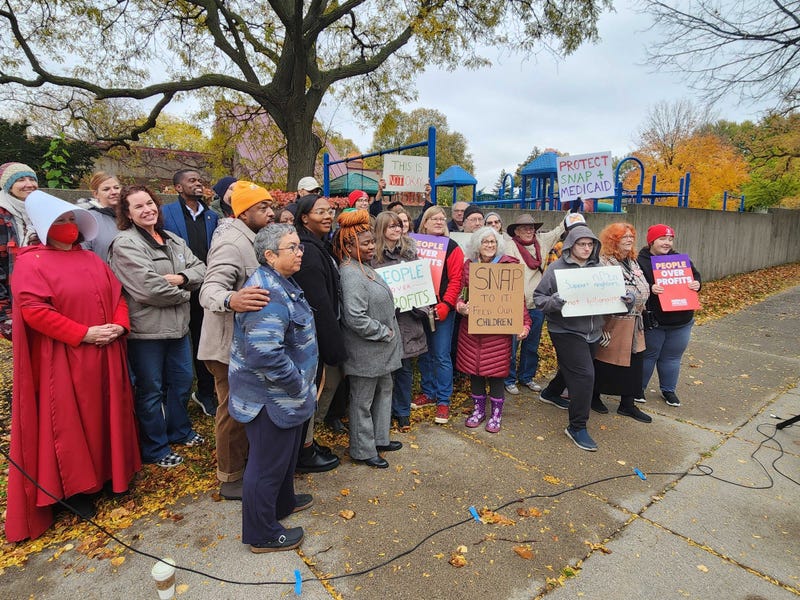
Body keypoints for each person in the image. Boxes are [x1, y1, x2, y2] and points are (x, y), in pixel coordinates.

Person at [6, 191, 140, 542]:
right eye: (61, 222)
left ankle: (111, 474)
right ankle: (76, 490)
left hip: (106, 352)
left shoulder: (91, 259)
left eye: (71, 220)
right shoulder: (31, 263)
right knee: (68, 422)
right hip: (66, 358)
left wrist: (119, 325)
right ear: (45, 227)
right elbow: (34, 311)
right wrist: (82, 334)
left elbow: (117, 296)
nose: (68, 227)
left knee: (107, 414)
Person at [228, 223, 316, 553]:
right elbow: (264, 353)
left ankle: (282, 503)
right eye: (292, 247)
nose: (300, 252)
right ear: (269, 255)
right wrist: (297, 385)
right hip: (270, 398)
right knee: (265, 466)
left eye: (299, 246)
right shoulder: (266, 293)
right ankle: (262, 533)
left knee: (283, 458)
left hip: (286, 397)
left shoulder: (282, 281)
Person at [108, 185, 207, 468]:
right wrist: (187, 293)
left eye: (150, 203)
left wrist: (181, 278)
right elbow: (148, 288)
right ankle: (155, 447)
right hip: (146, 332)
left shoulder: (172, 239)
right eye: (138, 206)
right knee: (150, 391)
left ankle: (179, 431)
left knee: (181, 383)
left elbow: (201, 268)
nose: (147, 209)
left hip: (178, 329)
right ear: (127, 213)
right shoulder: (125, 244)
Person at [198, 181, 273, 500]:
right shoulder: (231, 242)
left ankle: (250, 467)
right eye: (262, 208)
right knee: (233, 412)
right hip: (227, 347)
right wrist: (232, 299)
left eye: (271, 206)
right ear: (242, 212)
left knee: (251, 409)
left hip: (250, 346)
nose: (271, 213)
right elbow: (209, 290)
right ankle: (230, 478)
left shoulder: (255, 238)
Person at [333, 210, 403, 468]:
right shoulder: (350, 274)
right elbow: (355, 318)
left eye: (373, 241)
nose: (372, 246)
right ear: (348, 246)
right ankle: (362, 450)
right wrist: (384, 332)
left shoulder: (363, 266)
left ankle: (380, 439)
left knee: (384, 391)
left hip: (381, 350)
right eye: (366, 244)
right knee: (362, 401)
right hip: (366, 350)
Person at [534, 225, 604, 452]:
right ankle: (577, 426)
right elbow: (539, 298)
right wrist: (554, 302)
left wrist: (627, 299)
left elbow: (614, 296)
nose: (586, 248)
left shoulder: (600, 268)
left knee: (572, 368)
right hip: (565, 330)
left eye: (590, 244)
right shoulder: (556, 268)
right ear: (571, 245)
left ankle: (551, 392)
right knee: (584, 375)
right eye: (581, 244)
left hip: (593, 330)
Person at [454, 227, 531, 432]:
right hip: (471, 331)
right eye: (485, 242)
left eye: (493, 242)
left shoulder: (509, 266)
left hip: (498, 332)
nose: (489, 245)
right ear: (477, 245)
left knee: (497, 373)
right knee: (475, 372)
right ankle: (478, 411)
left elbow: (518, 299)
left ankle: (496, 415)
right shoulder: (469, 266)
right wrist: (460, 306)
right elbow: (461, 293)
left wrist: (525, 323)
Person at [292, 194, 343, 473]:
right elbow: (319, 304)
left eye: (330, 211)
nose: (327, 216)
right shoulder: (308, 252)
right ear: (304, 218)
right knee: (311, 392)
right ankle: (303, 452)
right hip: (312, 339)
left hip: (318, 335)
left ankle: (308, 444)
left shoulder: (319, 245)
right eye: (320, 212)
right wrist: (333, 344)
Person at [162, 169, 219, 417]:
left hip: (206, 289)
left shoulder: (212, 216)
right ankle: (172, 399)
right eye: (191, 180)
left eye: (199, 180)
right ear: (178, 187)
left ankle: (205, 392)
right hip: (180, 288)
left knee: (205, 340)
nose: (198, 183)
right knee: (180, 345)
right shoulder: (166, 214)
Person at [372, 211, 427, 432]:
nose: (396, 229)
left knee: (404, 370)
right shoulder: (372, 257)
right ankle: (383, 415)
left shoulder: (410, 253)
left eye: (398, 225)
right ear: (381, 229)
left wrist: (420, 308)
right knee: (385, 373)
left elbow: (422, 286)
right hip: (384, 321)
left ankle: (403, 411)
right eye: (391, 226)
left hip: (408, 320)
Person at [591, 223, 651, 423]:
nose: (629, 239)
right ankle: (594, 396)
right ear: (613, 240)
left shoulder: (632, 261)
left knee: (635, 362)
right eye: (624, 236)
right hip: (613, 322)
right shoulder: (603, 262)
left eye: (631, 236)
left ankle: (628, 404)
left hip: (635, 321)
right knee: (605, 360)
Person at [637, 224, 702, 407]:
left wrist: (697, 284)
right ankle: (638, 389)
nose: (667, 243)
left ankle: (668, 390)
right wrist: (650, 288)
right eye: (662, 239)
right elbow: (634, 285)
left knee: (672, 357)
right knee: (649, 356)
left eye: (670, 239)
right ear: (651, 241)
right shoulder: (640, 261)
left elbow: (696, 277)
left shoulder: (680, 260)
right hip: (655, 320)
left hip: (682, 320)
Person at [412, 206, 464, 424]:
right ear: (424, 222)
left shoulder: (452, 247)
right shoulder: (413, 245)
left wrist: (447, 304)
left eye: (442, 218)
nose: (439, 221)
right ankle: (429, 392)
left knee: (441, 355)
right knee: (424, 353)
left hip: (441, 309)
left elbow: (457, 279)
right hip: (419, 308)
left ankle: (443, 400)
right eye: (433, 218)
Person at [504, 214, 565, 395]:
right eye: (524, 228)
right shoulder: (508, 246)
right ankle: (508, 379)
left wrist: (574, 209)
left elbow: (560, 229)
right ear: (516, 231)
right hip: (515, 303)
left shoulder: (542, 241)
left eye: (531, 227)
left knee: (532, 344)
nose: (529, 231)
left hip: (537, 302)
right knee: (512, 345)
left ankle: (526, 376)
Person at [0, 162, 39, 339]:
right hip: (11, 299)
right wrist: (4, 314)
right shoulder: (2, 214)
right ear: (8, 186)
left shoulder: (41, 210)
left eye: (32, 179)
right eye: (20, 180)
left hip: (38, 296)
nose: (29, 184)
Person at [79, 172, 122, 262]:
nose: (114, 192)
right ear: (96, 194)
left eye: (116, 188)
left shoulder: (131, 215)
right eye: (106, 189)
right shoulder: (88, 219)